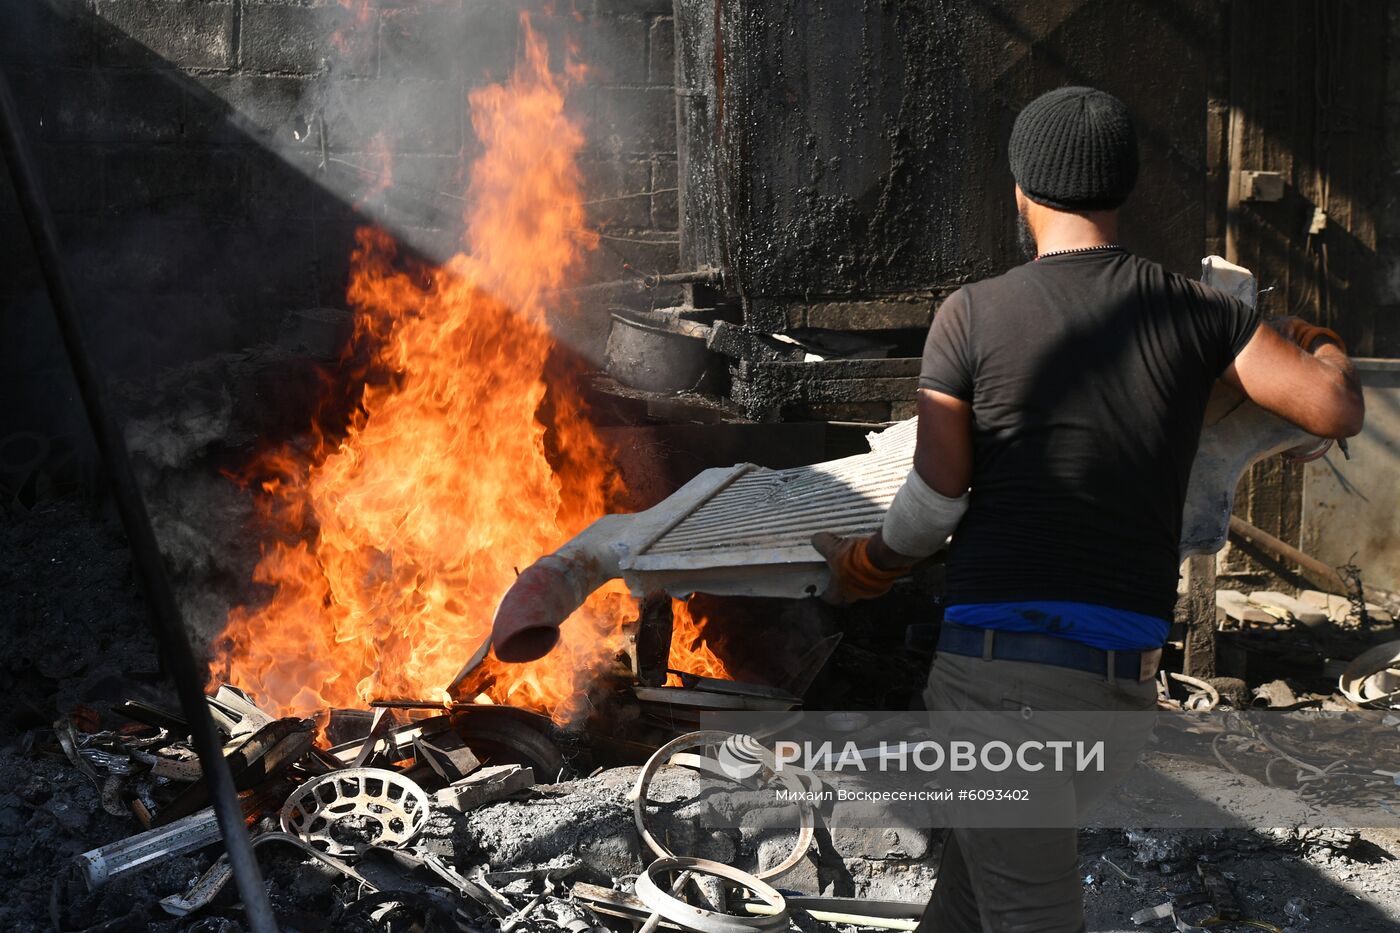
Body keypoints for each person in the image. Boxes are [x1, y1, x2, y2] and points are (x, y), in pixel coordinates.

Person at [812, 86, 1364, 933]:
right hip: (1116, 694)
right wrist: (1316, 339)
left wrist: (862, 570)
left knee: (1027, 910)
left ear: (1021, 191)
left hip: (1000, 689)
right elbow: (1333, 409)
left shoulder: (971, 315)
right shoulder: (1203, 311)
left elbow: (931, 501)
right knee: (966, 901)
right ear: (1125, 190)